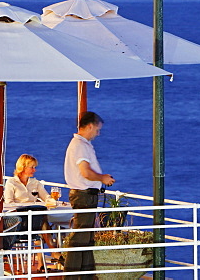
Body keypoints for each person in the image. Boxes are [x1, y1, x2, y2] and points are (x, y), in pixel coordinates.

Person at [63, 111, 114, 276]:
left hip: (85, 195)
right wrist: (102, 178)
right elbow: (85, 171)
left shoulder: (81, 145)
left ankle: (85, 275)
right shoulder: (80, 145)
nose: (98, 134)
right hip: (84, 195)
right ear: (90, 126)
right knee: (80, 239)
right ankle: (72, 276)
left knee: (86, 238)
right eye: (97, 130)